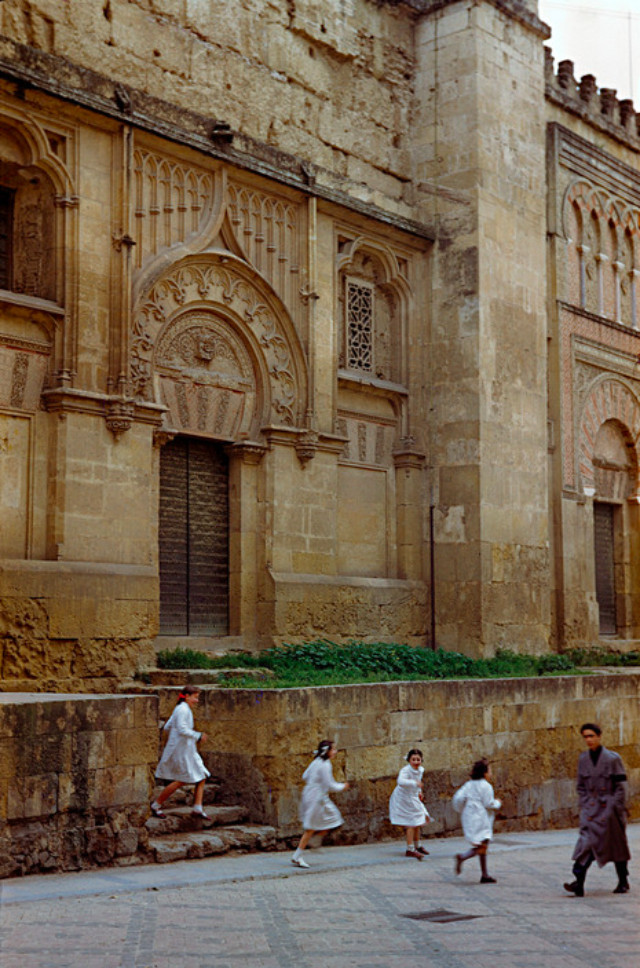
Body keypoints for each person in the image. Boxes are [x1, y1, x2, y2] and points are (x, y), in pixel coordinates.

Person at [563, 722, 631, 897]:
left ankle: (622, 880)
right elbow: (581, 786)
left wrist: (613, 808)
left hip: (610, 810)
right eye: (585, 736)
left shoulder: (612, 758)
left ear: (599, 736)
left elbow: (621, 787)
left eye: (591, 736)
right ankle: (579, 881)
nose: (589, 740)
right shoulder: (583, 759)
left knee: (616, 846)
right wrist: (585, 804)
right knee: (586, 844)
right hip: (591, 810)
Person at [151, 684, 211, 819]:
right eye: (195, 697)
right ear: (187, 696)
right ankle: (156, 805)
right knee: (183, 779)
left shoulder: (180, 709)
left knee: (201, 775)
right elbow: (181, 728)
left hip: (187, 750)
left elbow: (168, 727)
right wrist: (198, 735)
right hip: (183, 751)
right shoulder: (182, 710)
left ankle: (197, 807)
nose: (197, 700)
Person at [291, 740, 350, 868]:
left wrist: (315, 783)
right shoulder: (325, 765)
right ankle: (299, 854)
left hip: (311, 794)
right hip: (316, 797)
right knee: (311, 827)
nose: (335, 751)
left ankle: (316, 839)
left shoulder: (316, 761)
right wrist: (342, 787)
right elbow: (330, 784)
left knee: (333, 818)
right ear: (327, 751)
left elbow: (304, 776)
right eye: (333, 749)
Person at [452, 759, 501, 883]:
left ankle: (484, 874)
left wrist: (463, 809)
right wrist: (498, 803)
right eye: (490, 771)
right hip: (480, 817)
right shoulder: (486, 786)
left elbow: (459, 798)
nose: (491, 774)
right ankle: (463, 857)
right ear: (484, 773)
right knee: (483, 844)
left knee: (482, 843)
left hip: (469, 815)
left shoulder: (469, 784)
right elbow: (488, 803)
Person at [389, 748, 432, 860]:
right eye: (413, 759)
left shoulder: (420, 770)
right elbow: (400, 781)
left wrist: (419, 792)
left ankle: (418, 846)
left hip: (412, 797)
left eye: (418, 759)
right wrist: (414, 783)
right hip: (403, 798)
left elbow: (417, 784)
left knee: (418, 820)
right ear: (409, 760)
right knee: (411, 823)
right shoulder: (405, 770)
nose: (416, 762)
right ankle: (410, 849)